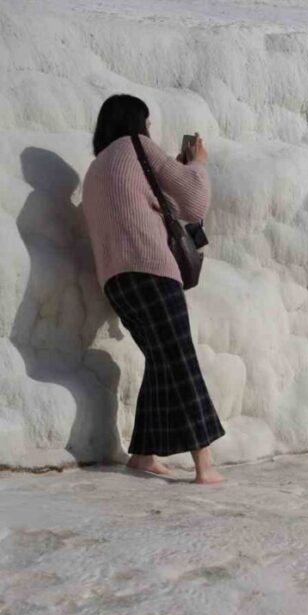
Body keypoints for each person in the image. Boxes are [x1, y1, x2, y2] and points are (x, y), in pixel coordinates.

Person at [82, 94, 225, 484]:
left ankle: (143, 455)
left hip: (117, 281)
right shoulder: (137, 146)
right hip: (152, 271)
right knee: (181, 357)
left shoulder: (95, 170)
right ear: (135, 123)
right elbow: (193, 203)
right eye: (146, 123)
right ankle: (205, 463)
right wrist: (196, 162)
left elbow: (139, 207)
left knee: (161, 357)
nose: (149, 130)